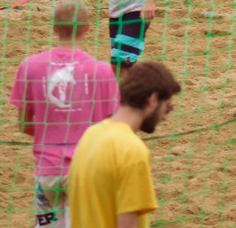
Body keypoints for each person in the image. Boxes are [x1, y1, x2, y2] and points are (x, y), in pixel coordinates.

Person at [9, 0, 119, 227]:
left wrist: (51, 135)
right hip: (88, 169)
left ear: (55, 29)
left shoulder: (30, 66)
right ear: (88, 29)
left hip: (48, 170)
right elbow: (112, 129)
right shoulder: (102, 70)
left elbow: (23, 124)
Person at [68, 61, 180, 228]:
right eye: (167, 107)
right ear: (153, 100)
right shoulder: (132, 150)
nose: (165, 117)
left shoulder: (91, 135)